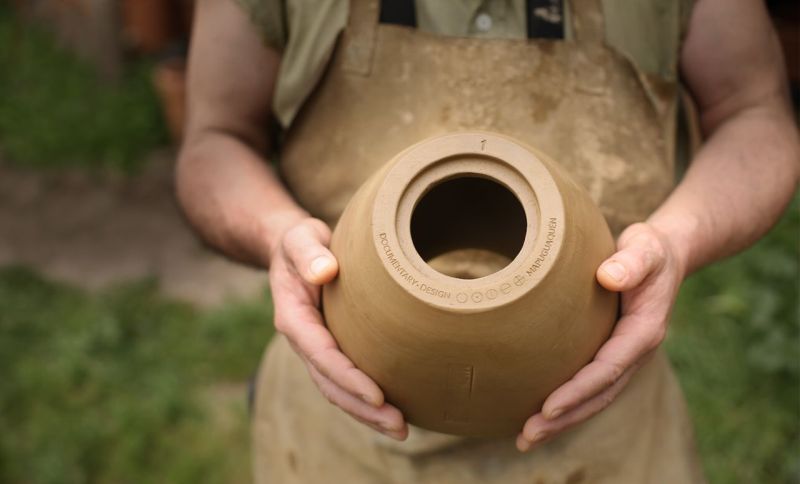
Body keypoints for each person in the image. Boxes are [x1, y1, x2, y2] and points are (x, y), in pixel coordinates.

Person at [176, 0, 800, 482]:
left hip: (602, 409)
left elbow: (754, 112)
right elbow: (215, 138)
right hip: (343, 404)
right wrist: (278, 235)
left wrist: (676, 240)